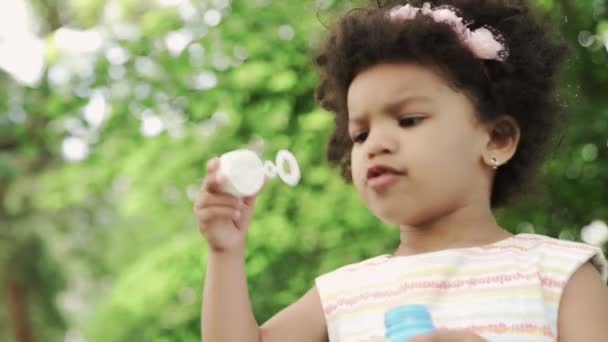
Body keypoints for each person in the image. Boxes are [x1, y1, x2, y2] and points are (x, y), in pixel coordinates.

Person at [194, 0, 608, 341]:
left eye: (409, 120)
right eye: (359, 135)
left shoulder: (559, 275)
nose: (376, 143)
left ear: (496, 139)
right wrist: (225, 251)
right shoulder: (342, 294)